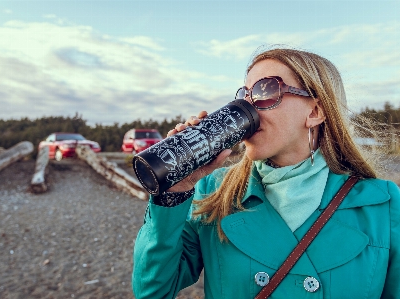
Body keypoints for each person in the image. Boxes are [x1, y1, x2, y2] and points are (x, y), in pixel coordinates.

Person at [132, 47, 400, 298]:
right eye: (244, 95)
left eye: (266, 91)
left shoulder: (383, 204)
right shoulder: (214, 191)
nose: (248, 108)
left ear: (316, 111)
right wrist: (176, 191)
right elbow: (153, 290)